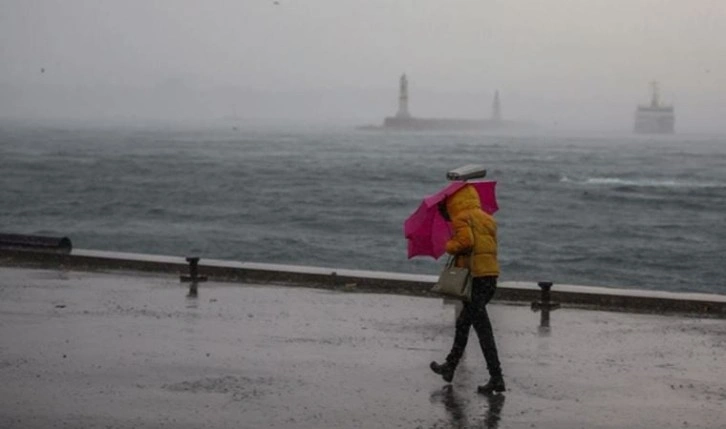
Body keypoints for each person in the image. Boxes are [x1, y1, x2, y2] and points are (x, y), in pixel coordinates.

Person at [430, 184, 505, 394]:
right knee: (463, 324)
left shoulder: (462, 218)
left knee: (483, 330)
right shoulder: (487, 218)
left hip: (475, 279)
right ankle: (450, 367)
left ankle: (497, 377)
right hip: (489, 276)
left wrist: (449, 245)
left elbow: (466, 242)